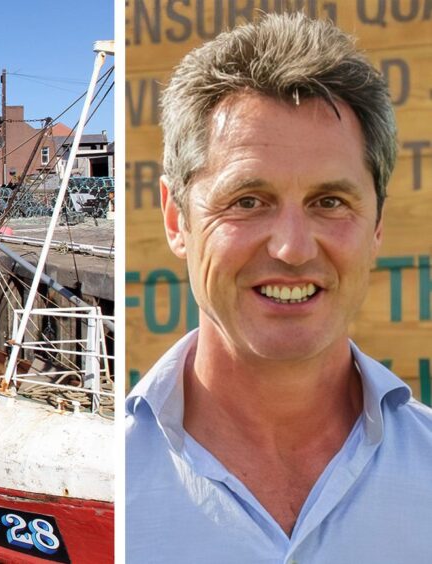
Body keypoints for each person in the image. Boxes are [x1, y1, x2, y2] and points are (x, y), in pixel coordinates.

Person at [126, 13, 432, 562]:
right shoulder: (114, 476)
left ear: (378, 225)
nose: (292, 249)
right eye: (248, 201)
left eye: (330, 202)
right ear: (177, 221)